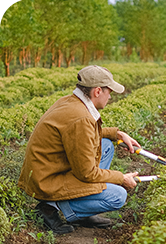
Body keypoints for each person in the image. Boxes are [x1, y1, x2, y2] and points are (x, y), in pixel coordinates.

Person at [18, 65, 140, 234]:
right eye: (109, 91)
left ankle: (81, 210)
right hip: (47, 181)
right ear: (97, 91)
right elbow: (87, 173)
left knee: (105, 146)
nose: (110, 96)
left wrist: (117, 134)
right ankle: (50, 207)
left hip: (49, 170)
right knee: (118, 196)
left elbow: (84, 135)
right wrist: (120, 178)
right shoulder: (80, 117)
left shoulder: (71, 102)